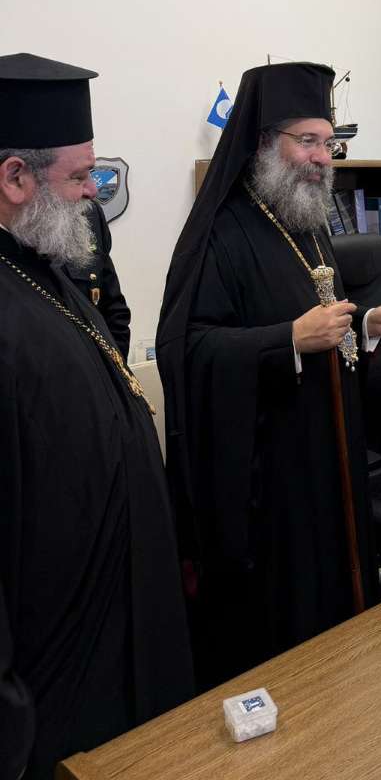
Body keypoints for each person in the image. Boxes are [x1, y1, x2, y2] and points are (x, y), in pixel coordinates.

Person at [157, 61, 381, 688]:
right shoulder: (221, 232)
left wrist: (366, 326)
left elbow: (327, 325)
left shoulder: (310, 223)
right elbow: (187, 349)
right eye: (307, 141)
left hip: (331, 457)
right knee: (289, 634)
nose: (323, 157)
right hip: (269, 476)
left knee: (340, 632)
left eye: (329, 143)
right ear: (264, 144)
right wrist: (286, 341)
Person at [0, 53, 193, 780]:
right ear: (15, 178)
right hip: (55, 667)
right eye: (81, 177)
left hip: (115, 620)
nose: (92, 194)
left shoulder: (42, 265)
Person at [64, 197, 132, 358]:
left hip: (95, 361)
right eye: (76, 182)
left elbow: (114, 309)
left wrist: (115, 365)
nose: (93, 190)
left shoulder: (89, 211)